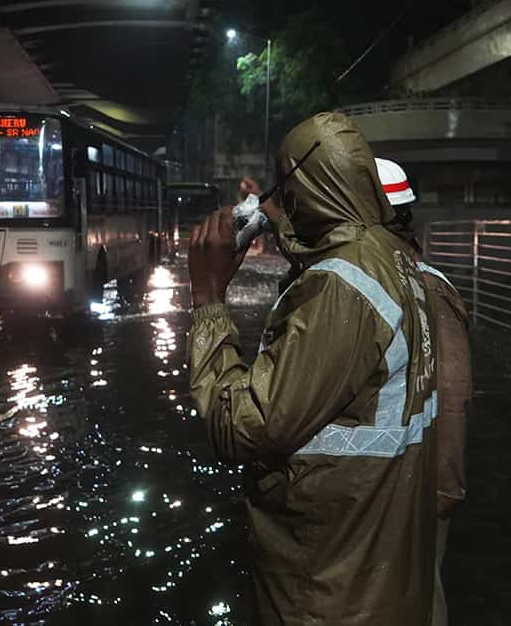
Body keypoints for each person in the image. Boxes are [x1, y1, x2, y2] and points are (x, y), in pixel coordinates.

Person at [189, 111, 439, 625]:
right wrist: (275, 223)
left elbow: (241, 427)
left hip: (326, 588)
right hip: (382, 568)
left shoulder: (339, 290)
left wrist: (208, 297)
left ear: (306, 189)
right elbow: (335, 241)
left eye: (288, 189)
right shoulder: (397, 261)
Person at [375, 157, 472, 626]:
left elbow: (451, 401)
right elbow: (455, 400)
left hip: (398, 493)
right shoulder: (432, 286)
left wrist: (443, 491)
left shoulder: (411, 289)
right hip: (404, 488)